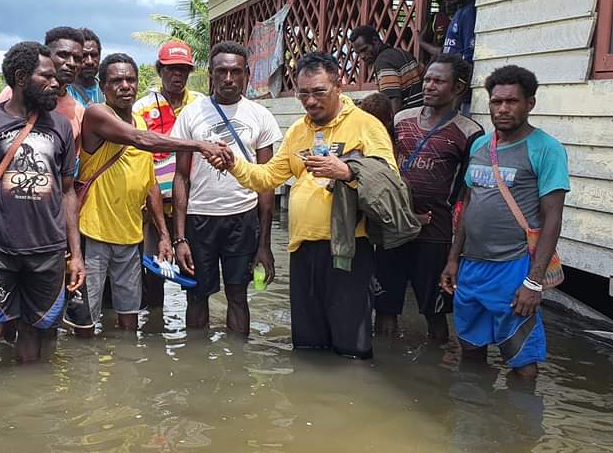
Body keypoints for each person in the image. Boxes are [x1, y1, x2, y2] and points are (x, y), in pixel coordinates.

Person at [221, 52, 397, 358]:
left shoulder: (364, 125)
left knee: (350, 347)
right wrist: (233, 163)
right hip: (301, 251)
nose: (310, 101)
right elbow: (267, 178)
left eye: (319, 92)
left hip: (347, 250)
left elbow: (390, 179)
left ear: (338, 86)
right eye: (303, 93)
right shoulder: (298, 131)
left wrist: (347, 170)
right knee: (306, 345)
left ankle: (350, 398)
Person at [67, 53, 226, 336]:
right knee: (86, 323)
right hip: (94, 233)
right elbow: (142, 141)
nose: (125, 86)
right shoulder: (97, 114)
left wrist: (164, 235)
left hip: (131, 237)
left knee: (130, 322)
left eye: (130, 80)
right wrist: (199, 145)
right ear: (103, 87)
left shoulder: (141, 120)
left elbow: (150, 183)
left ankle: (126, 375)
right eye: (116, 81)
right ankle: (87, 377)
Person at [0, 41, 83, 373]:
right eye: (47, 77)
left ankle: (33, 413)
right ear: (19, 77)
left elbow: (68, 192)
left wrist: (76, 254)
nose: (56, 83)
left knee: (38, 336)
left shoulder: (61, 127)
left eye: (57, 77)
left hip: (49, 252)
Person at [441, 65, 568, 378]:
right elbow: (468, 204)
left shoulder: (546, 149)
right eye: (496, 102)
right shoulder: (482, 146)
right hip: (471, 267)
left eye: (511, 101)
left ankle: (520, 426)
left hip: (513, 267)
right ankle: (474, 420)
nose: (503, 108)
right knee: (469, 352)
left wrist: (533, 281)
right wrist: (453, 260)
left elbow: (553, 218)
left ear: (530, 104)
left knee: (522, 364)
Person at [170, 41, 282, 335]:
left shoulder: (261, 116)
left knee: (238, 296)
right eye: (221, 72)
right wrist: (179, 238)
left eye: (235, 71)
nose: (228, 79)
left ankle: (238, 369)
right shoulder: (191, 114)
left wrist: (265, 245)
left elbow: (266, 181)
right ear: (211, 75)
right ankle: (196, 371)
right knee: (196, 297)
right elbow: (181, 177)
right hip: (199, 219)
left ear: (246, 74)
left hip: (242, 219)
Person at [374, 53, 482, 342]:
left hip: (435, 234)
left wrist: (456, 252)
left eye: (438, 81)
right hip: (394, 229)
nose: (429, 86)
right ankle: (381, 370)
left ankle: (436, 374)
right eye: (427, 80)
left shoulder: (470, 132)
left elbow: (466, 192)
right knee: (384, 308)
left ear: (458, 88)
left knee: (435, 313)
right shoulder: (401, 120)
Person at [133, 40, 205, 309]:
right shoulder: (140, 108)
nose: (178, 75)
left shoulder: (201, 105)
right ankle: (154, 333)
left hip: (193, 205)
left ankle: (194, 337)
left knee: (193, 271)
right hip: (155, 207)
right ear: (159, 70)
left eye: (183, 70)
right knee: (154, 273)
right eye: (171, 69)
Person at [0, 27, 86, 141]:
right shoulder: (15, 93)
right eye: (63, 55)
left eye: (77, 58)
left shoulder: (78, 112)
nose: (72, 63)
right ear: (47, 55)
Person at [350, 25, 424, 116]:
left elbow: (393, 100)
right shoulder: (401, 53)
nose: (362, 56)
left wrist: (392, 127)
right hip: (421, 115)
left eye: (364, 49)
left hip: (406, 119)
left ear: (375, 41)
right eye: (358, 53)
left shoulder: (383, 62)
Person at [66, 28, 104, 107]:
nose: (89, 61)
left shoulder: (107, 92)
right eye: (84, 55)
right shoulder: (63, 93)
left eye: (94, 55)